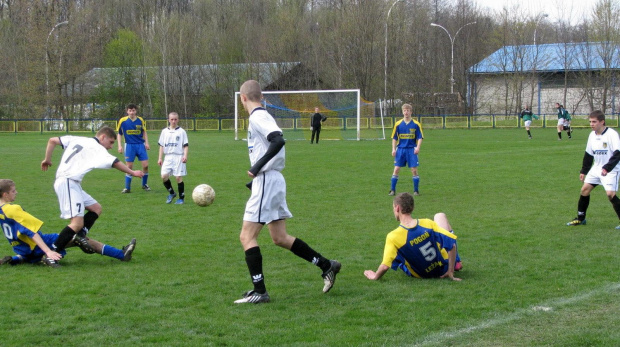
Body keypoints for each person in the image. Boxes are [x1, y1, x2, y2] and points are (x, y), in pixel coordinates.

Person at [234, 80, 341, 304]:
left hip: (267, 179)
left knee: (247, 236)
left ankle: (259, 291)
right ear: (260, 96)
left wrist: (256, 168)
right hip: (272, 180)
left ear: (243, 98)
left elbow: (278, 140)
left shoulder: (257, 116)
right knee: (280, 237)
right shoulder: (262, 115)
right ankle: (326, 265)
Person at [41, 126, 143, 255]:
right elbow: (115, 162)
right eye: (111, 142)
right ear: (102, 137)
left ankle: (80, 235)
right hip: (67, 181)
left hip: (71, 182)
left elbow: (52, 140)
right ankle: (51, 254)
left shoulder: (78, 139)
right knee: (76, 223)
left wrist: (47, 159)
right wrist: (132, 172)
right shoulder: (97, 147)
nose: (111, 146)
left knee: (96, 208)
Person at [0, 179, 136, 268]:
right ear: (5, 195)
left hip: (21, 249)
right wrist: (49, 251)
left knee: (76, 238)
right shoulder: (13, 209)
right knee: (82, 240)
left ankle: (16, 259)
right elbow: (31, 232)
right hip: (36, 246)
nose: (16, 192)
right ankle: (121, 255)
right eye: (13, 191)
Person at [364, 192, 462, 281]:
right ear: (412, 208)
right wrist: (450, 272)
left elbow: (385, 266)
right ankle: (455, 262)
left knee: (400, 256)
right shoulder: (427, 223)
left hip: (422, 275)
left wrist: (375, 276)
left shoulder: (393, 236)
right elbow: (452, 245)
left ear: (397, 208)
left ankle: (454, 263)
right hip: (442, 269)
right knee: (440, 216)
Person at [566, 110, 620, 229]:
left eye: (594, 122)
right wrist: (584, 171)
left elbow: (617, 153)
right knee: (584, 190)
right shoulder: (592, 135)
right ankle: (581, 219)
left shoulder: (612, 134)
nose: (591, 124)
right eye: (590, 122)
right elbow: (588, 154)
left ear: (602, 122)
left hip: (611, 169)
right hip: (596, 168)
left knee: (610, 194)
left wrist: (607, 168)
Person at [389, 103, 423, 196]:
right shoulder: (398, 124)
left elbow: (420, 137)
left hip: (411, 149)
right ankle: (392, 190)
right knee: (396, 169)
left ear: (411, 112)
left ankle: (416, 191)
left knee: (414, 170)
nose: (406, 112)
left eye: (408, 110)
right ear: (402, 112)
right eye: (404, 110)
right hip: (400, 149)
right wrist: (393, 149)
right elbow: (394, 138)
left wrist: (418, 148)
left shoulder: (416, 124)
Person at [117, 104, 151, 193]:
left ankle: (144, 184)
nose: (132, 112)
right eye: (130, 110)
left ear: (136, 111)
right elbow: (119, 134)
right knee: (129, 166)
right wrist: (119, 145)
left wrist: (146, 143)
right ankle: (127, 188)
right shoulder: (123, 121)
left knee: (145, 165)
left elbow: (144, 132)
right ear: (127, 111)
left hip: (140, 145)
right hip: (129, 145)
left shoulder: (140, 120)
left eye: (133, 110)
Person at [157, 112, 189, 204]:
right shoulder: (164, 131)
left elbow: (186, 145)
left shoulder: (182, 131)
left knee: (178, 177)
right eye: (172, 119)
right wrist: (160, 158)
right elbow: (161, 146)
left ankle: (181, 198)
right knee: (164, 176)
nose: (173, 121)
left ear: (178, 120)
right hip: (168, 157)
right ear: (168, 120)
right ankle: (172, 193)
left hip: (178, 156)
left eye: (175, 119)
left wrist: (185, 156)